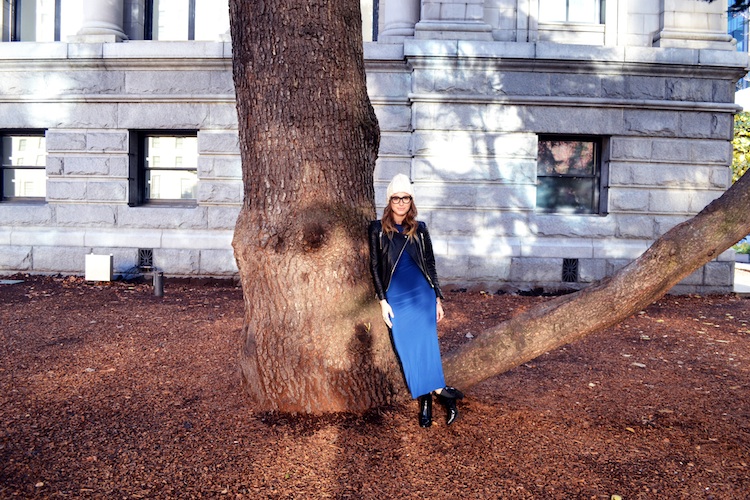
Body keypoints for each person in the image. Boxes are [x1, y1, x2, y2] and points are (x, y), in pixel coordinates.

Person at [368, 173, 464, 427]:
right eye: (396, 198)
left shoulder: (419, 229)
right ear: (389, 201)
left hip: (422, 295)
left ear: (411, 201)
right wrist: (382, 300)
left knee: (427, 347)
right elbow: (375, 266)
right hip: (396, 297)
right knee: (408, 350)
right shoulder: (376, 229)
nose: (401, 202)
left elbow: (430, 264)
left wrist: (437, 298)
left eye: (406, 198)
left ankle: (426, 403)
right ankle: (443, 394)